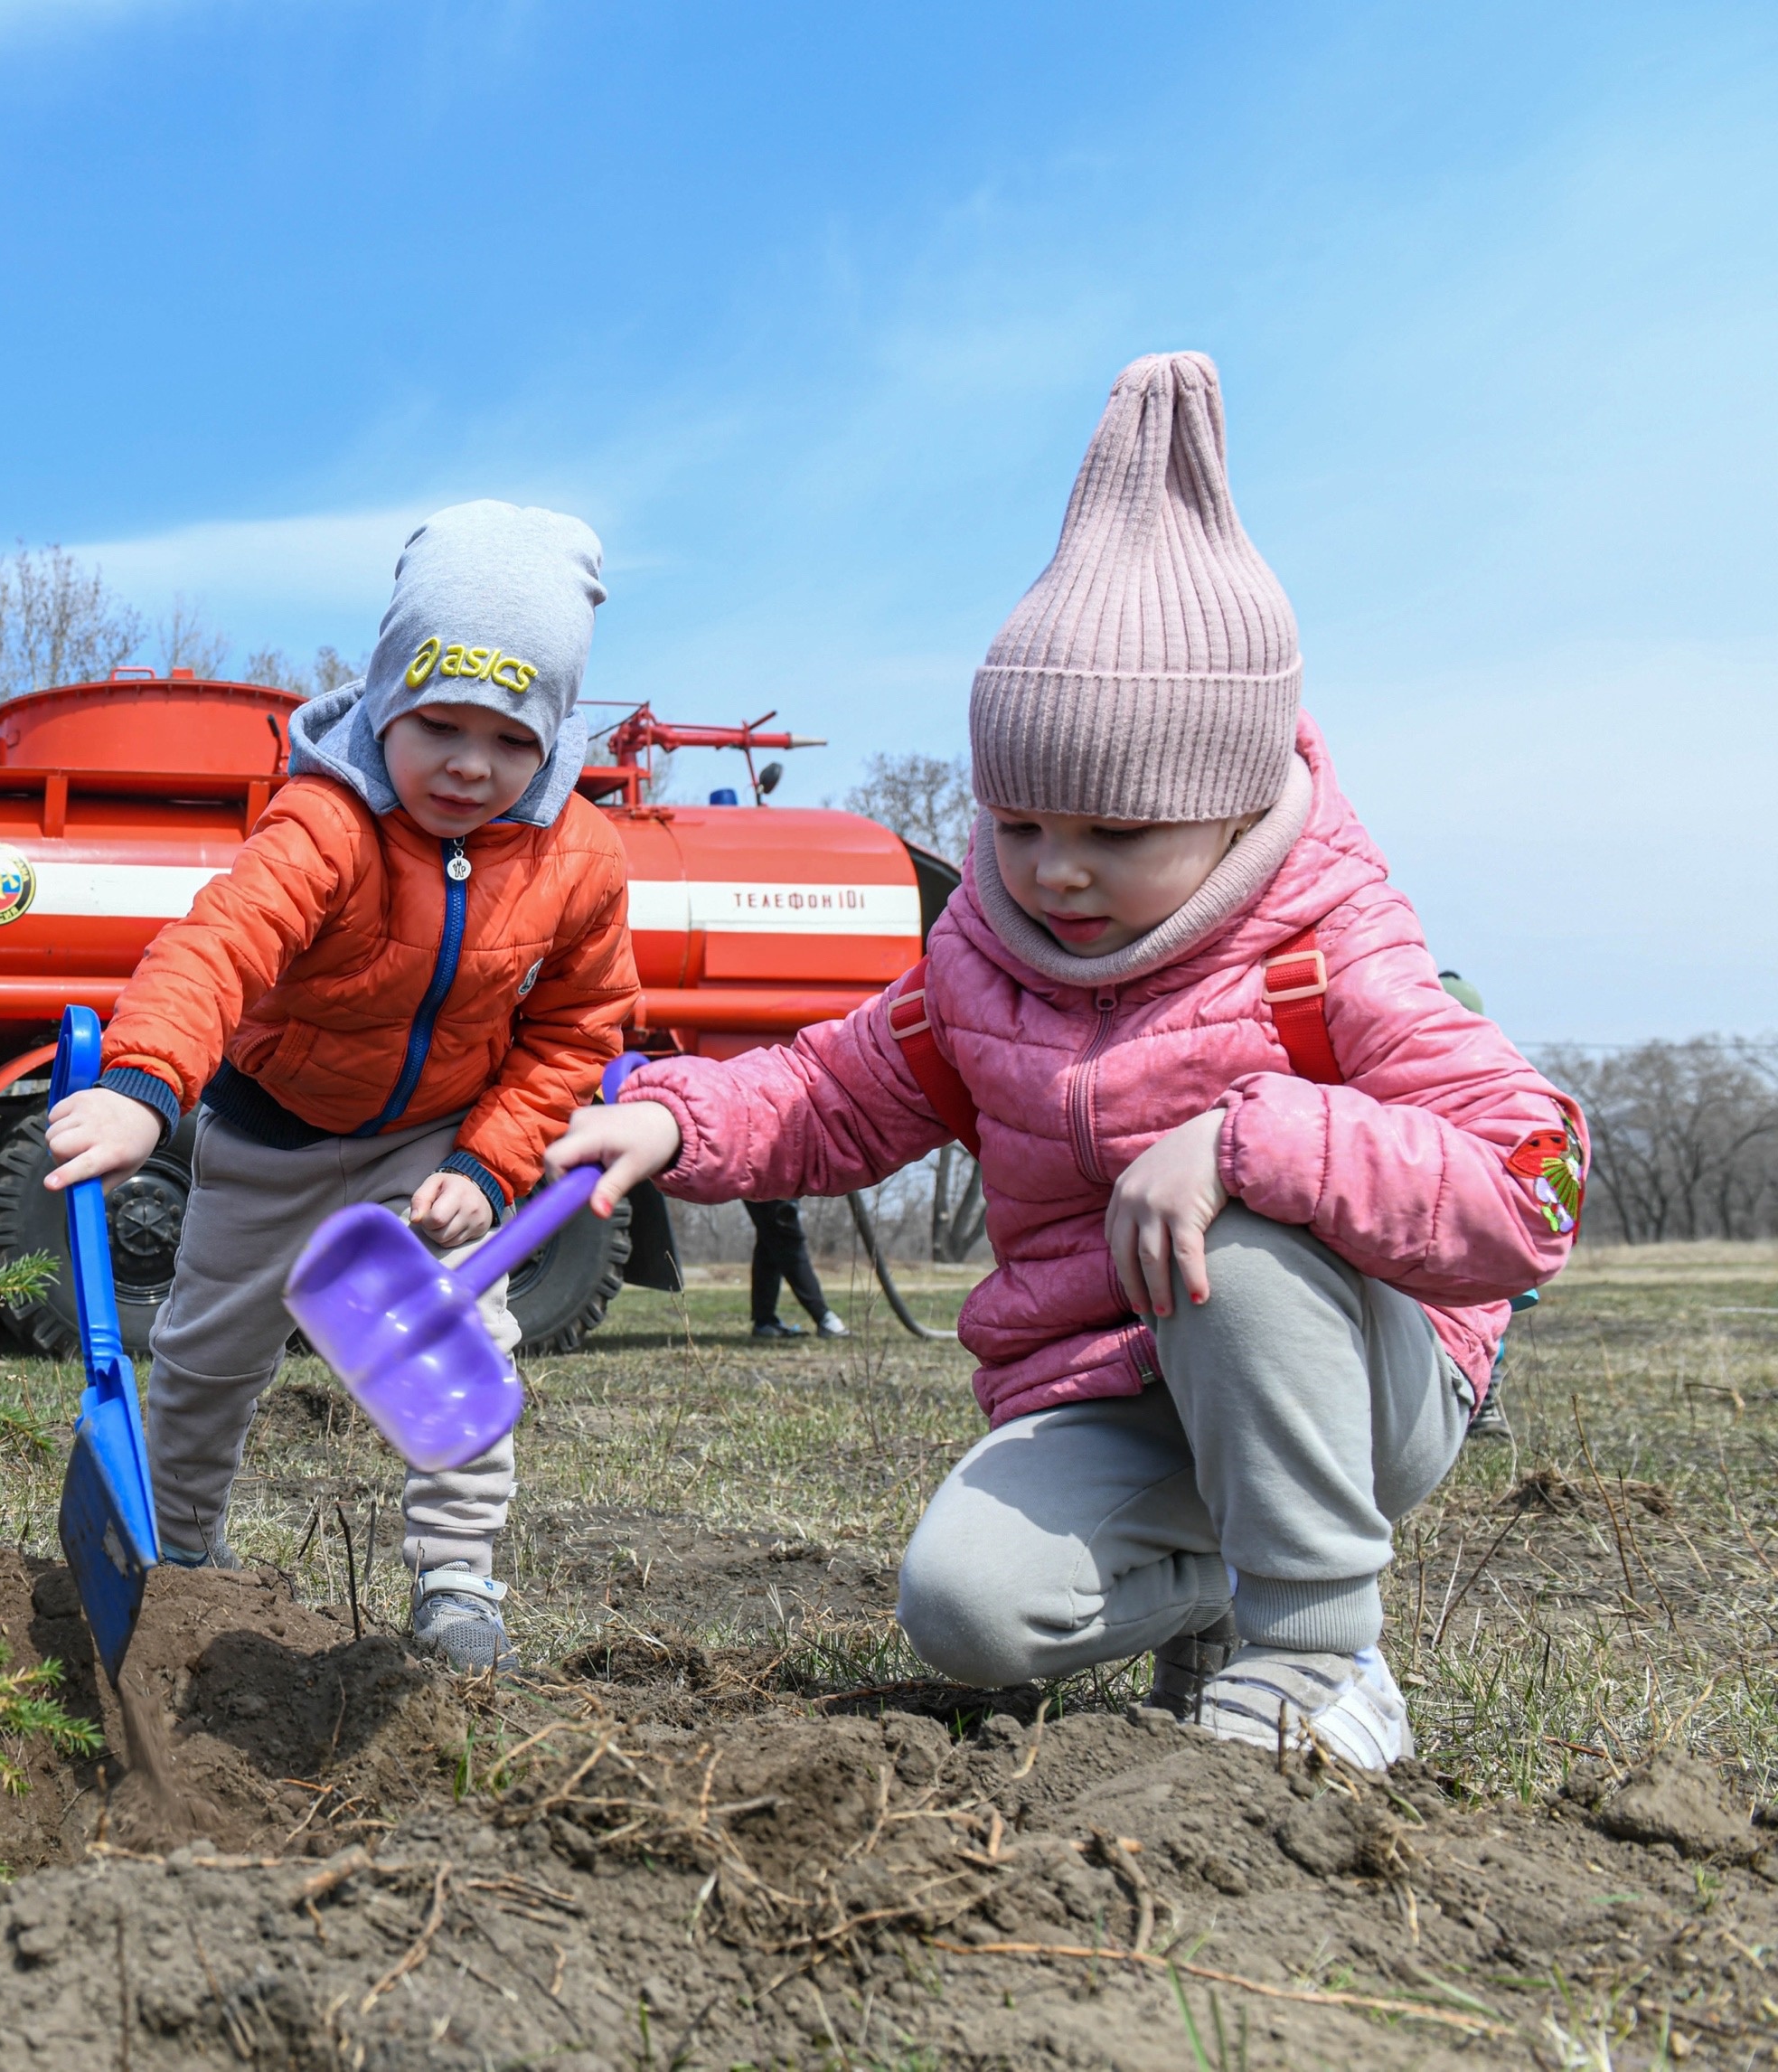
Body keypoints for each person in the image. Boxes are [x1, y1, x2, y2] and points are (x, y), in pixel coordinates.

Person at [546, 354, 1584, 1769]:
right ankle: (1223, 1587)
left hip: (1353, 1386)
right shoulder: (980, 956)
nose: (1058, 871)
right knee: (966, 1611)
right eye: (1023, 824)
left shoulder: (1328, 952)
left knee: (1248, 1236)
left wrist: (1242, 1144)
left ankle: (1318, 1655)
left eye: (1114, 832)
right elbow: (834, 1090)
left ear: (1225, 808)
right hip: (1110, 1390)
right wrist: (669, 1121)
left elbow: (1535, 1183)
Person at [44, 501, 637, 1671]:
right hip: (269, 1140)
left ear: (556, 739)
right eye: (439, 725)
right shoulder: (325, 823)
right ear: (381, 704)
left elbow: (576, 1033)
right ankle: (179, 1568)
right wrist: (143, 1086)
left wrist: (486, 1164)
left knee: (461, 1343)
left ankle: (460, 1583)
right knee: (208, 1355)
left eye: (513, 740)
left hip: (430, 1145)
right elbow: (221, 945)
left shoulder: (578, 862)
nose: (471, 765)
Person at [744, 1200, 849, 1339]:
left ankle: (765, 1322)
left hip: (771, 1180)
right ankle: (823, 1317)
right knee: (784, 1229)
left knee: (770, 1237)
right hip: (770, 1179)